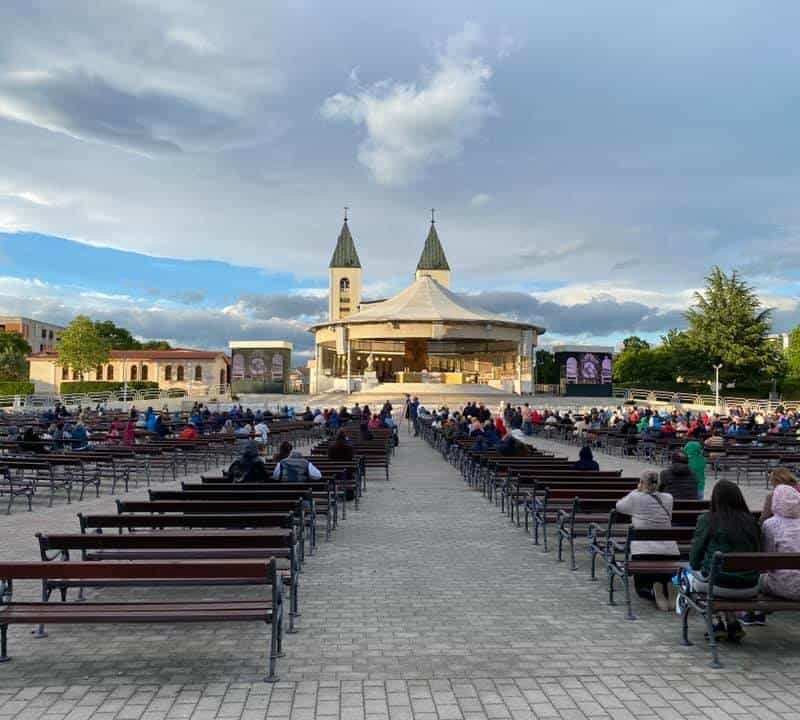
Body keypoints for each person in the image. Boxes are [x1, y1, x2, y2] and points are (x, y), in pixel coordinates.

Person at [688, 480, 760, 642]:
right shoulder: (751, 522)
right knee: (723, 576)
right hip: (749, 587)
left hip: (717, 586)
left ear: (715, 499)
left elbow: (694, 559)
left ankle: (716, 621)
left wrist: (697, 567)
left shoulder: (708, 519)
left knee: (695, 577)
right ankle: (732, 621)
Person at [615, 470, 679, 611]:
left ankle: (653, 589)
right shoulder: (669, 498)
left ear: (642, 483)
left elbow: (619, 506)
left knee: (641, 588)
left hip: (644, 553)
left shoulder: (635, 497)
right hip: (670, 552)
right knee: (664, 574)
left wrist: (637, 490)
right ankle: (669, 586)